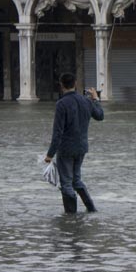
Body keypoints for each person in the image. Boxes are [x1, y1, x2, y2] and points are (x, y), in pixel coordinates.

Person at [44, 72, 104, 213]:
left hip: (66, 149)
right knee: (76, 180)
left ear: (61, 85)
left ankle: (71, 217)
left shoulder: (61, 104)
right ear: (75, 84)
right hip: (82, 148)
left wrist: (50, 155)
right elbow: (100, 116)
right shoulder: (86, 101)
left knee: (66, 184)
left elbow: (57, 133)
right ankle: (91, 209)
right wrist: (96, 99)